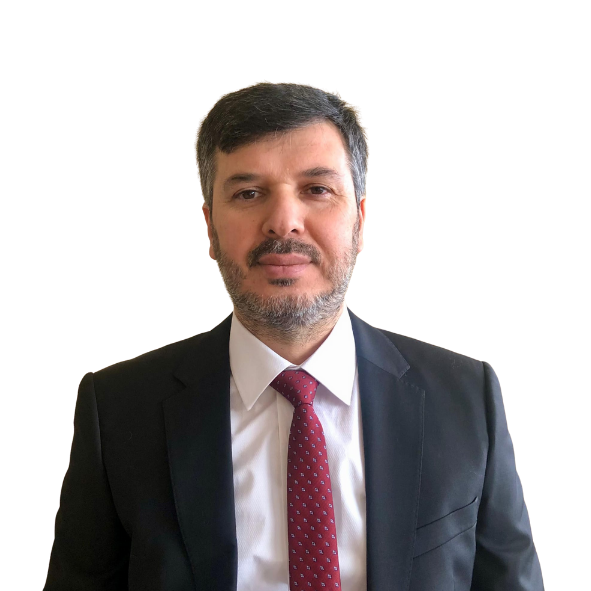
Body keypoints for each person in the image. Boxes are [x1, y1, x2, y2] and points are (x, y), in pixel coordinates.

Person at [43, 83, 544, 591]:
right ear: (210, 228)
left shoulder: (465, 399)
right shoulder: (119, 410)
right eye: (248, 193)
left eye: (317, 189)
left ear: (360, 221)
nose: (283, 222)